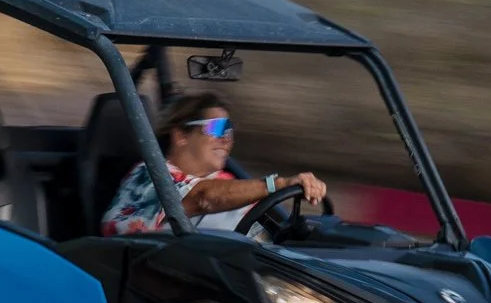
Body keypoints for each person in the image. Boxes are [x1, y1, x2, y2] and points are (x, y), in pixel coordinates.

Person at [101, 90, 328, 237]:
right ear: (181, 135)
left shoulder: (225, 184)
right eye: (217, 128)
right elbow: (203, 199)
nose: (226, 139)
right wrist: (278, 184)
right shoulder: (149, 176)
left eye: (229, 131)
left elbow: (263, 230)